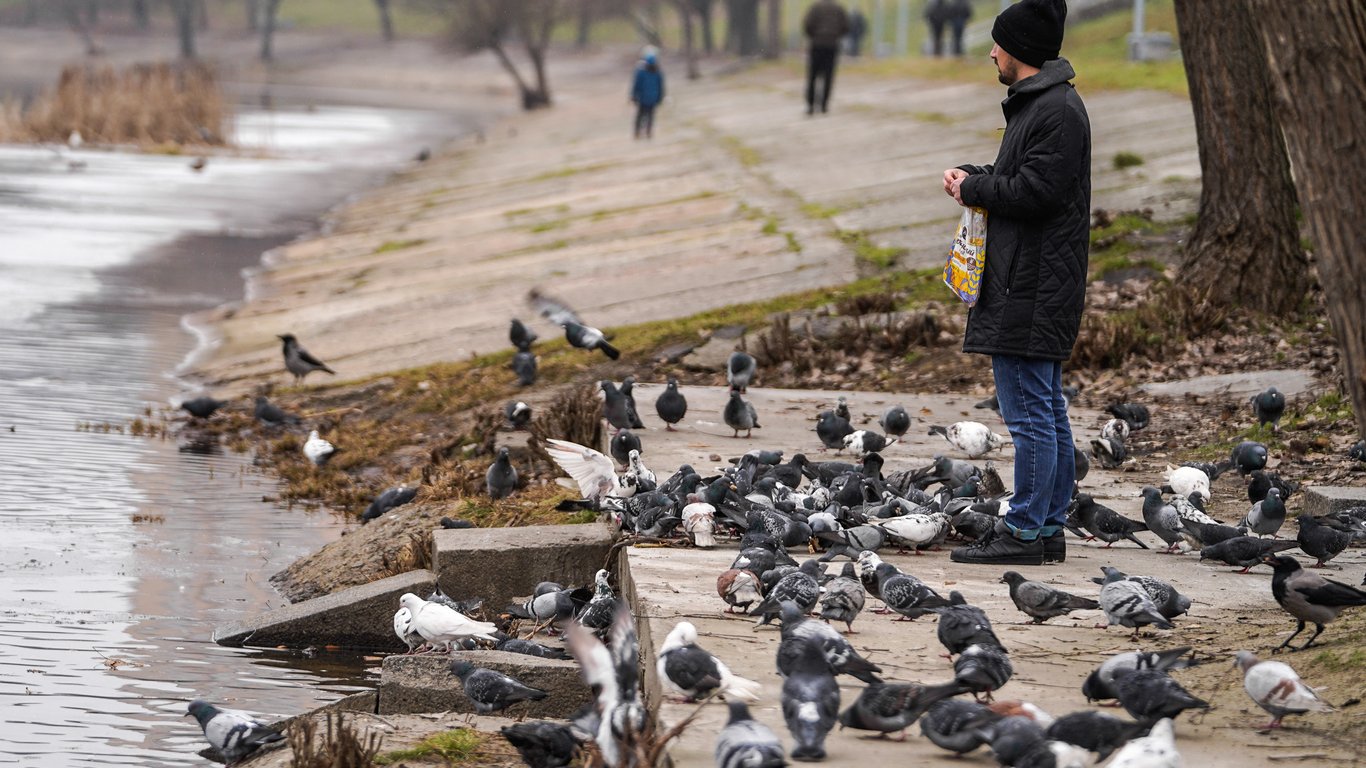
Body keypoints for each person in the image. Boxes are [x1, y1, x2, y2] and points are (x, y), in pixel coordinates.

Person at [941, 0, 1090, 566]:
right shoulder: (1043, 105)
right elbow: (1023, 178)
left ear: (1019, 51)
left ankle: (1026, 530)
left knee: (1030, 416)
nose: (991, 54)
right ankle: (1048, 525)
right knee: (1045, 409)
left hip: (1030, 287)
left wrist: (978, 190)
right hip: (1032, 282)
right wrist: (975, 178)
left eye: (998, 44)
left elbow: (1037, 194)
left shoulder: (1056, 110)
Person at [802, 0, 850, 114]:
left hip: (817, 44)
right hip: (832, 45)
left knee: (812, 76)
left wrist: (814, 36)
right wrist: (836, 36)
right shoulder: (838, 9)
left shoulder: (815, 8)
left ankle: (810, 105)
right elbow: (846, 26)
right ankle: (824, 105)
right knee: (828, 76)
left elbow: (808, 24)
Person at [630, 48, 665, 139]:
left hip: (644, 98)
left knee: (642, 116)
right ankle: (646, 132)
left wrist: (633, 95)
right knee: (649, 116)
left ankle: (639, 132)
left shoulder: (642, 71)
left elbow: (636, 85)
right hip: (651, 98)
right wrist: (660, 97)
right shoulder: (657, 71)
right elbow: (661, 86)